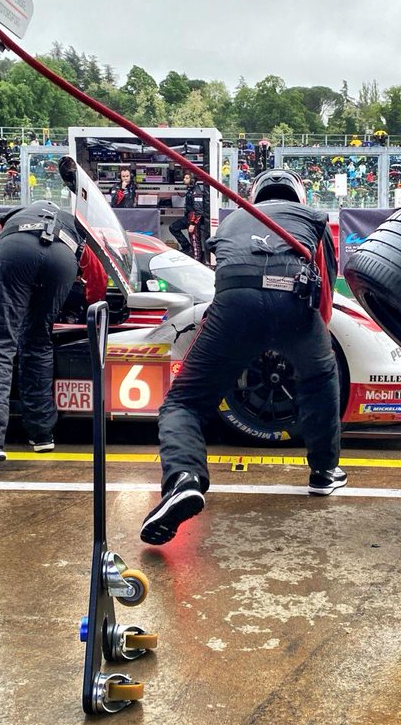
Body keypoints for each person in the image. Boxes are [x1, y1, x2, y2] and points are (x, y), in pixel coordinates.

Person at [140, 168, 343, 545]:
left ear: (256, 195)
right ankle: (324, 472)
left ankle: (184, 478)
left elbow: (224, 279)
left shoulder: (234, 218)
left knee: (183, 403)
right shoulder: (313, 219)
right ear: (297, 195)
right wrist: (313, 348)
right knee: (319, 378)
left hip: (235, 301)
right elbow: (325, 287)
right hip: (294, 299)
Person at [0, 157, 107, 469]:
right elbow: (98, 281)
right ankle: (42, 433)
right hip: (64, 259)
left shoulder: (10, 222)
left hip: (16, 252)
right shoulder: (71, 226)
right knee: (37, 342)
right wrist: (87, 304)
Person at [169, 171, 209, 261]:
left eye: (186, 178)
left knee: (195, 241)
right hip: (188, 217)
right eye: (184, 178)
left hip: (193, 217)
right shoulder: (190, 190)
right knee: (173, 227)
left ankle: (197, 260)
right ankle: (187, 247)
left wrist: (193, 223)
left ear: (192, 179)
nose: (184, 180)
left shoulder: (196, 191)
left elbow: (199, 210)